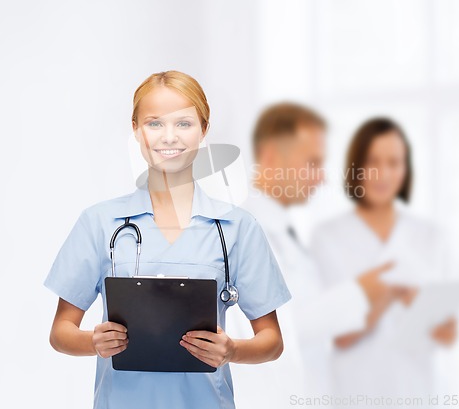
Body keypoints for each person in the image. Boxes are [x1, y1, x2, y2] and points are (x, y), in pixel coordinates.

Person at [44, 70, 291, 409]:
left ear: (204, 130)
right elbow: (60, 332)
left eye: (184, 124)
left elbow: (272, 341)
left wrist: (233, 350)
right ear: (135, 129)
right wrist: (93, 342)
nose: (169, 137)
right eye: (154, 123)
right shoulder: (99, 223)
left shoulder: (237, 227)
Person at [226, 103, 398, 408]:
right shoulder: (244, 233)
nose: (321, 178)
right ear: (270, 158)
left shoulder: (289, 233)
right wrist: (361, 293)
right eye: (312, 164)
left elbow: (314, 327)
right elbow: (275, 332)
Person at [310, 117, 459, 408]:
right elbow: (337, 336)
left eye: (394, 163)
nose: (383, 173)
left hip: (419, 392)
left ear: (406, 169)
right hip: (354, 393)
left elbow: (448, 333)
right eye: (372, 162)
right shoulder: (327, 237)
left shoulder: (431, 236)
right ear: (356, 167)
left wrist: (410, 301)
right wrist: (388, 295)